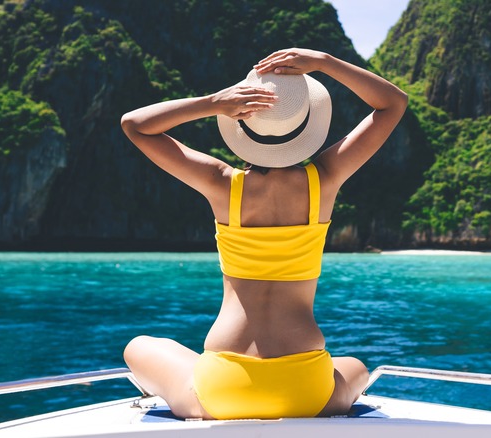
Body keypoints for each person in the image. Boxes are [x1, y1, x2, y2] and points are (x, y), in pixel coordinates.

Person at [120, 48, 408, 420]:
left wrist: (214, 103)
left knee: (141, 346)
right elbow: (392, 104)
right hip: (305, 389)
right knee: (353, 366)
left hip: (225, 390)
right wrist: (324, 61)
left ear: (242, 127)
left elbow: (135, 124)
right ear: (307, 126)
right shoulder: (326, 180)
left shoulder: (221, 184)